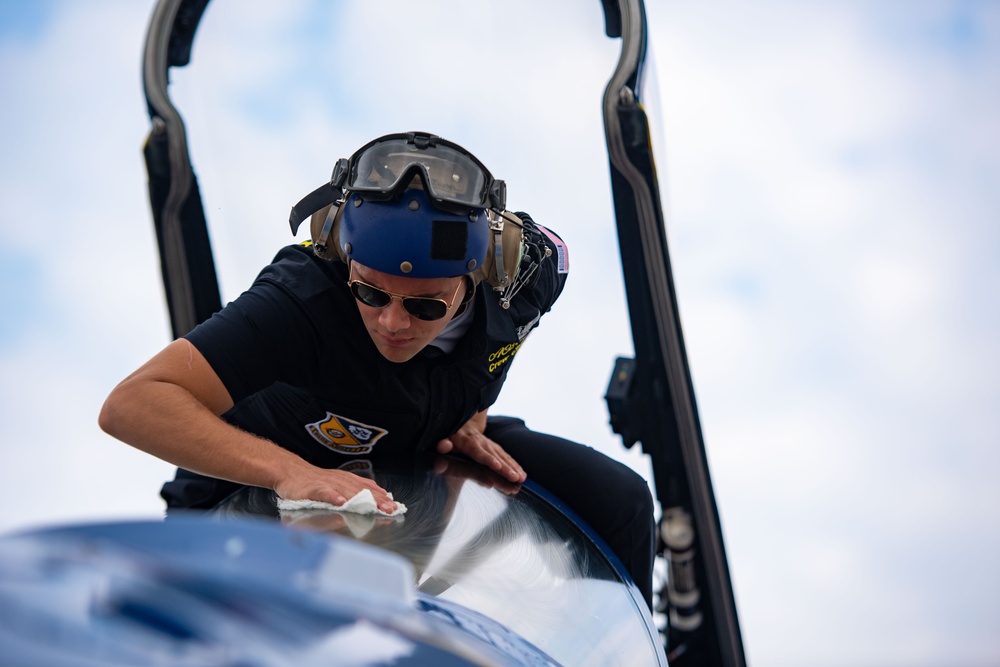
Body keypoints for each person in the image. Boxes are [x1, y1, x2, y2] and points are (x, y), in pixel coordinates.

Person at [99, 131, 656, 607]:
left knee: (623, 502)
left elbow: (535, 290)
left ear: (482, 274)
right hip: (250, 495)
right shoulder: (300, 300)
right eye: (369, 292)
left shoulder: (527, 273)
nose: (392, 322)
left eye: (425, 306)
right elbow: (134, 404)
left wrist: (472, 409)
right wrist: (287, 471)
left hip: (419, 454)